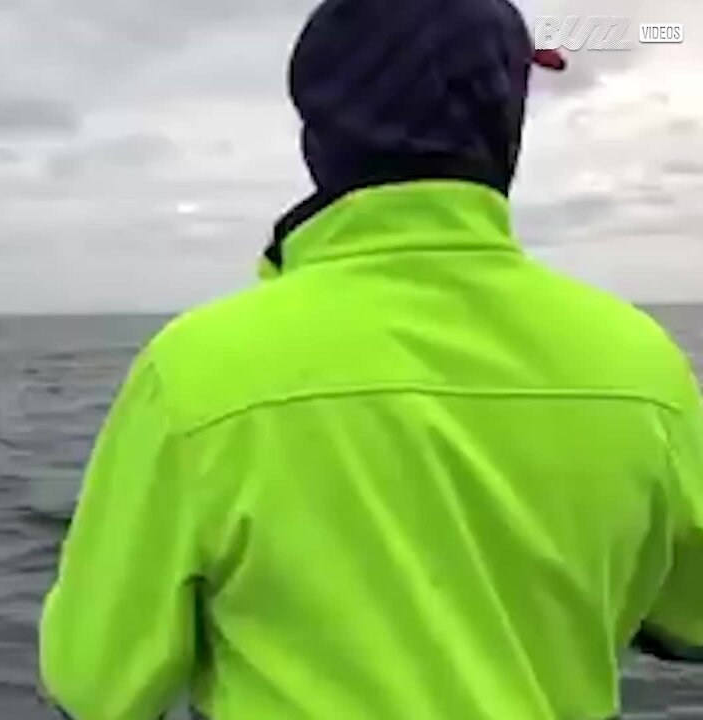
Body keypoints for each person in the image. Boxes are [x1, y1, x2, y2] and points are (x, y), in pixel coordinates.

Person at [37, 0, 703, 717]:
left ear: (317, 139)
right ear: (505, 126)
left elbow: (98, 684)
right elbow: (688, 620)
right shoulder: (641, 366)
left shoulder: (191, 371)